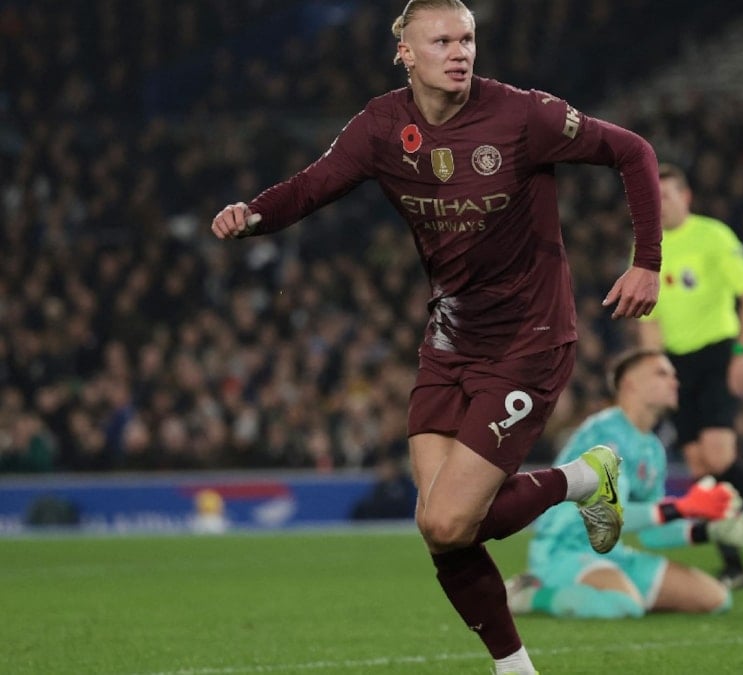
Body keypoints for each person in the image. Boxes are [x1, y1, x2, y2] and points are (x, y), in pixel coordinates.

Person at [210, 2, 661, 673]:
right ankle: (515, 667)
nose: (460, 52)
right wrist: (253, 214)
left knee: (450, 518)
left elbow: (633, 150)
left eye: (467, 38)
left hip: (528, 341)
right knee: (440, 530)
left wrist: (647, 260)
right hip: (449, 341)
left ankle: (584, 476)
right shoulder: (381, 126)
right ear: (405, 52)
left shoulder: (523, 116)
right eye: (442, 40)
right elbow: (311, 187)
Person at [505, 348, 743, 619]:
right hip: (563, 550)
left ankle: (607, 591)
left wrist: (711, 531)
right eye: (662, 374)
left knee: (716, 598)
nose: (674, 381)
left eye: (673, 375)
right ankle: (529, 595)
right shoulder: (604, 434)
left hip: (610, 554)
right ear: (630, 384)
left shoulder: (652, 449)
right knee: (624, 606)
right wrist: (683, 507)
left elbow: (654, 533)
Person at [636, 163, 743, 590]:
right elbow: (649, 318)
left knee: (719, 455)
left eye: (667, 195)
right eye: (653, 197)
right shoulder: (646, 248)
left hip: (717, 353)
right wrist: (654, 369)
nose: (660, 204)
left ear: (686, 197)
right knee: (699, 465)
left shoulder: (714, 236)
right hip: (676, 365)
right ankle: (734, 563)